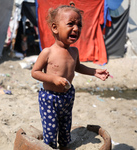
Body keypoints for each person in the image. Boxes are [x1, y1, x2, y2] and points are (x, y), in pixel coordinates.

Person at [31, 4, 109, 150]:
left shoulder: (74, 51)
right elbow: (35, 72)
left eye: (79, 25)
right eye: (70, 24)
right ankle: (51, 146)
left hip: (67, 96)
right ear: (55, 28)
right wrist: (53, 79)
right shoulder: (47, 52)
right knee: (51, 128)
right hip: (49, 98)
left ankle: (64, 146)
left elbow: (77, 67)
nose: (76, 28)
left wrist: (94, 72)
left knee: (66, 125)